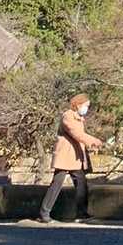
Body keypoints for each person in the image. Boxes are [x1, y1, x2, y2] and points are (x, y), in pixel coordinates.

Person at [38, 93, 103, 224]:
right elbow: (76, 133)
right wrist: (93, 141)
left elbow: (79, 135)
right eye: (86, 106)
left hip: (74, 156)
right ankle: (44, 213)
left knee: (81, 184)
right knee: (57, 183)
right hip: (65, 155)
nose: (87, 109)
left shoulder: (78, 118)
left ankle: (81, 213)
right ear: (78, 105)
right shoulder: (68, 116)